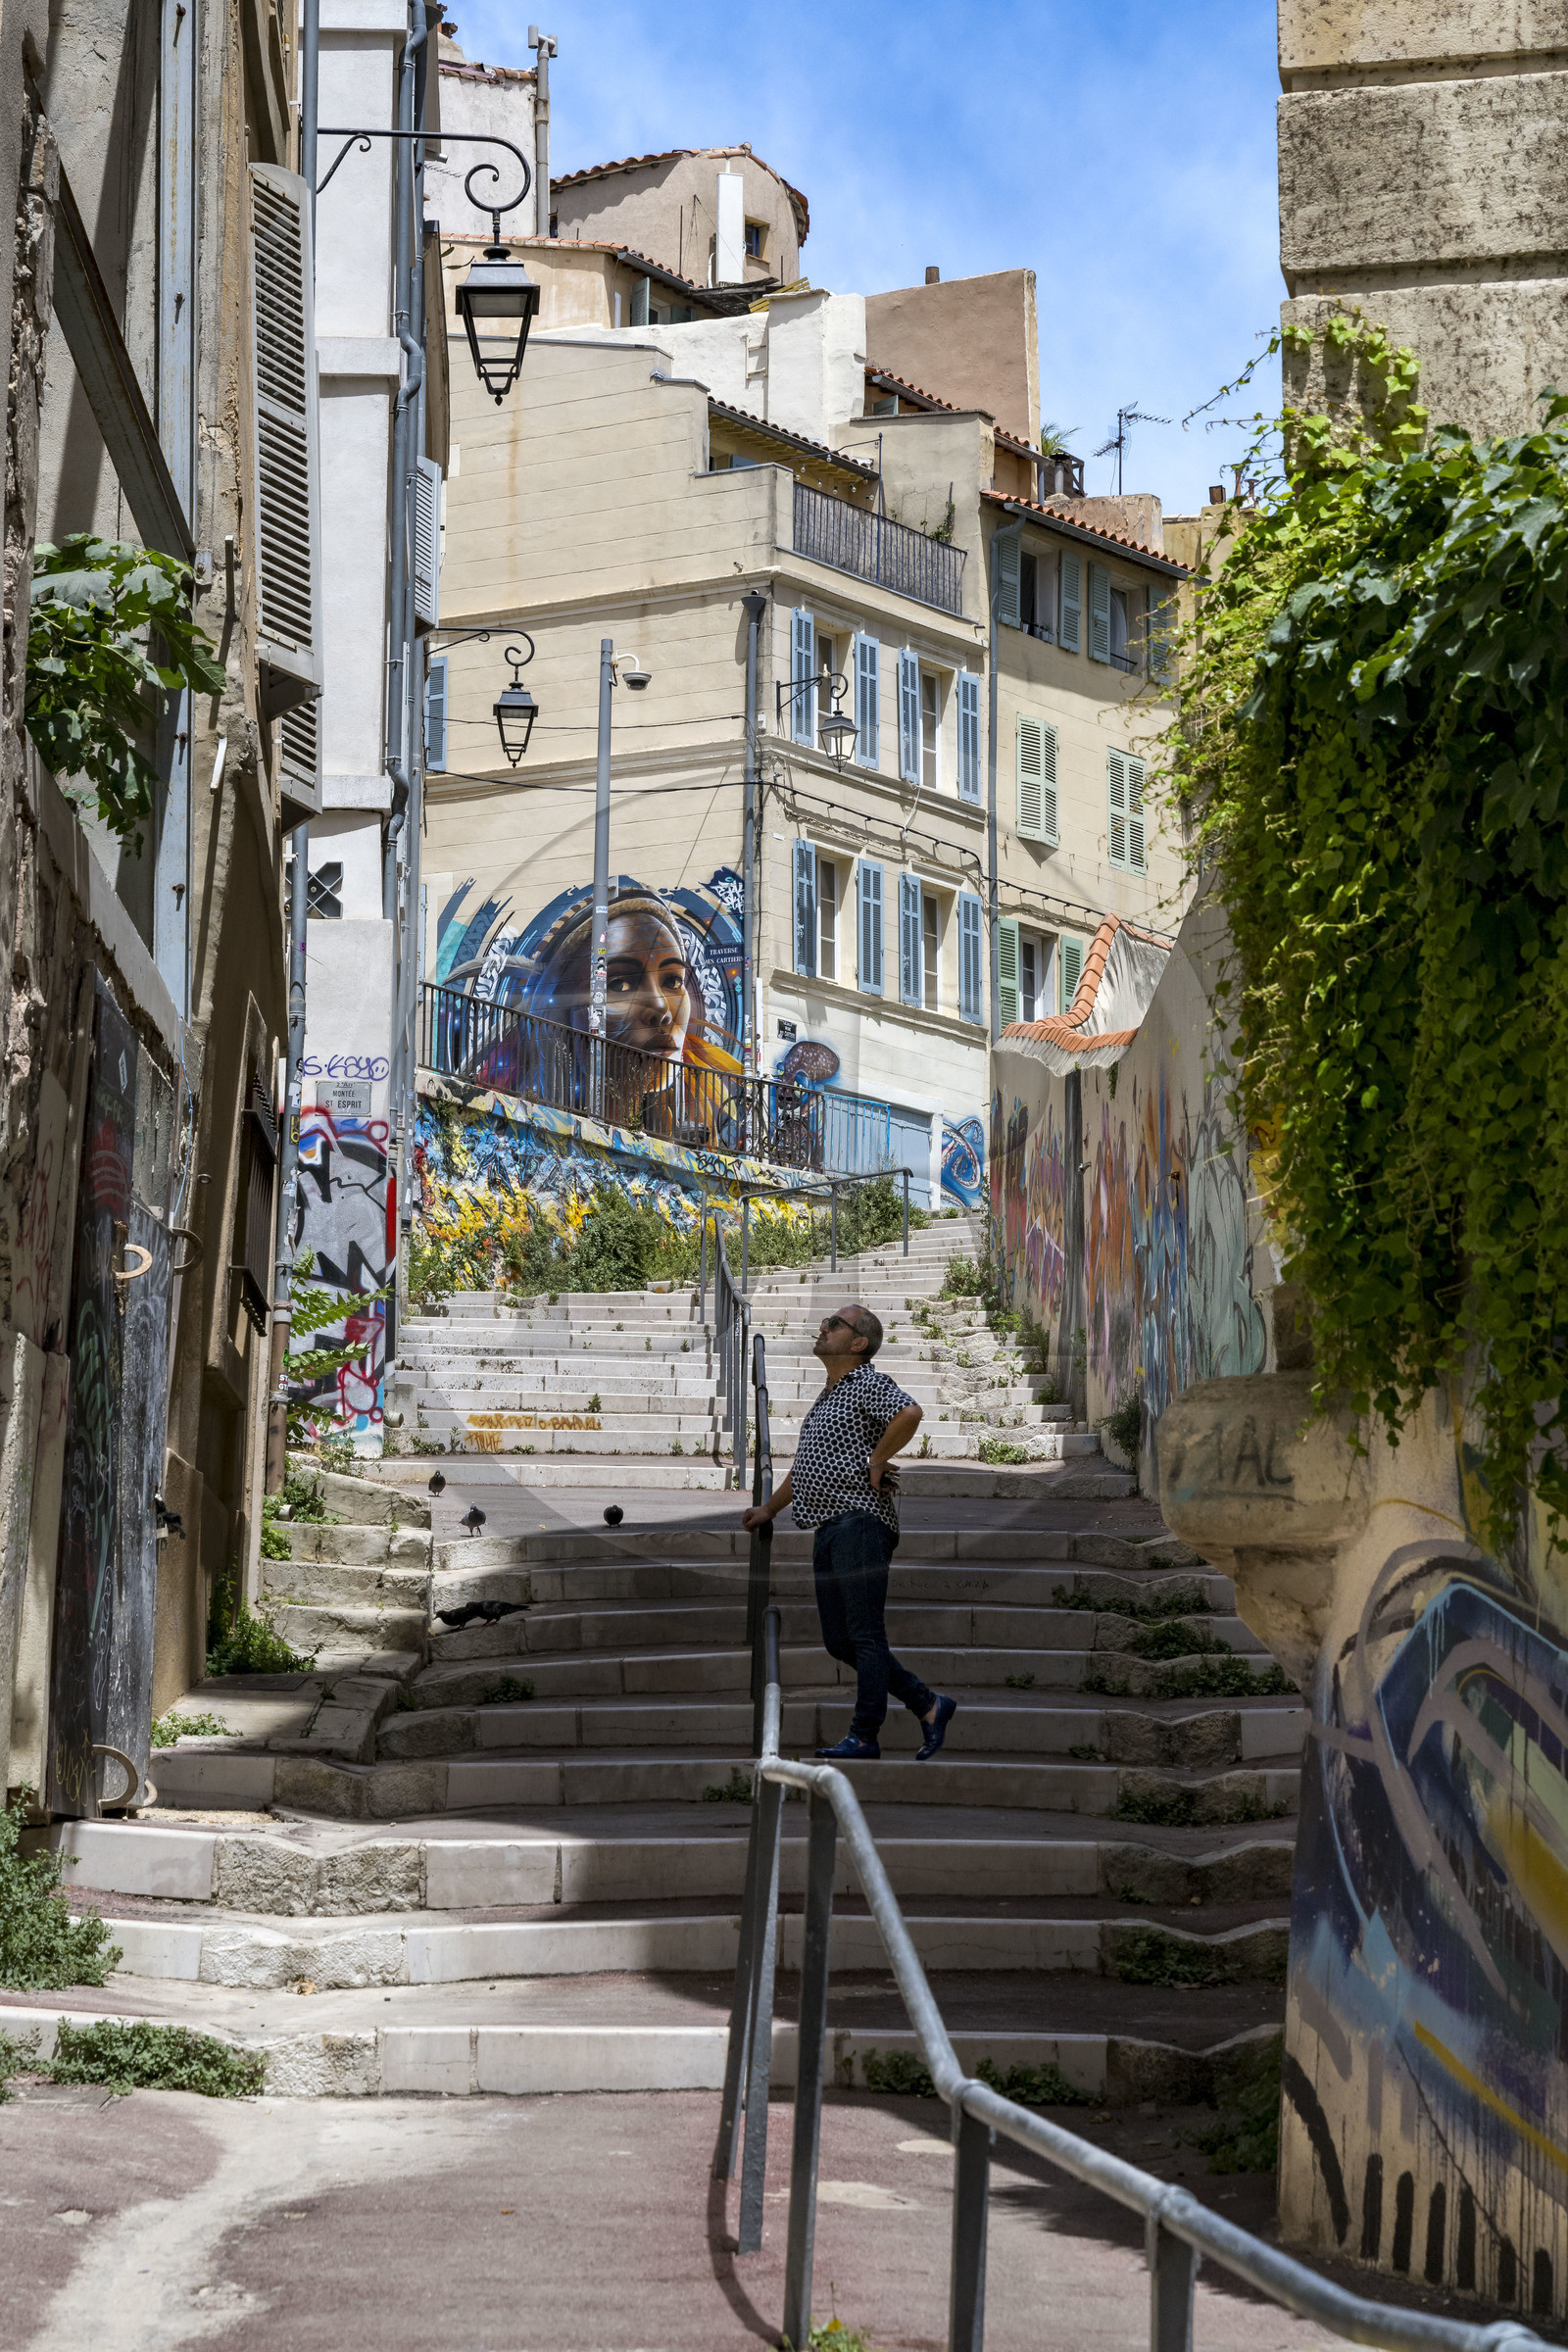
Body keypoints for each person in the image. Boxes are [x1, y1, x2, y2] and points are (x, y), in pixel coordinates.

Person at [742, 1304, 957, 1761]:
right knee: (840, 1641)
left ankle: (865, 1734)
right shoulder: (828, 1396)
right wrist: (768, 1509)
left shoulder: (866, 1382)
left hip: (861, 1522)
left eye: (835, 1324)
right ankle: (928, 1704)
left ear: (858, 1343)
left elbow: (910, 1413)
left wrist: (877, 1461)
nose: (823, 1327)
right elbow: (804, 1471)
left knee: (864, 1634)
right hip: (829, 1528)